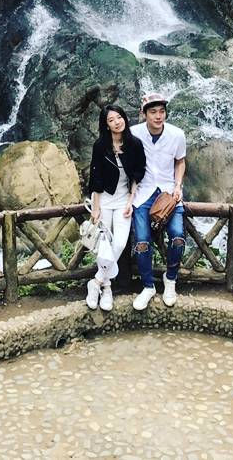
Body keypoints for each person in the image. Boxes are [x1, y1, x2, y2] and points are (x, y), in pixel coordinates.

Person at [85, 104, 145, 311]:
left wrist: (130, 201)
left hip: (123, 201)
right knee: (105, 245)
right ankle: (107, 288)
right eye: (111, 120)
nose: (117, 122)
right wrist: (96, 207)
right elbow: (96, 177)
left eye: (119, 117)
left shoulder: (134, 144)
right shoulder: (100, 146)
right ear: (106, 125)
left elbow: (138, 173)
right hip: (104, 200)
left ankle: (96, 282)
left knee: (119, 243)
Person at [130, 92, 187, 310]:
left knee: (178, 237)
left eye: (162, 111)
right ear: (144, 114)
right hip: (143, 192)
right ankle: (147, 286)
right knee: (142, 242)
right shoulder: (133, 134)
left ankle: (170, 279)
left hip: (168, 193)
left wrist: (178, 186)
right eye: (153, 112)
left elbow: (180, 162)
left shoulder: (177, 134)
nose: (158, 116)